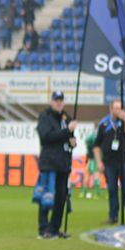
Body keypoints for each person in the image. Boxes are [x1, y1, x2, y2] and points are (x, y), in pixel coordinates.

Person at [37, 90, 76, 239]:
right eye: (56, 100)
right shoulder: (45, 117)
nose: (59, 102)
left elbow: (68, 138)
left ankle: (54, 228)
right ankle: (43, 228)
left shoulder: (66, 118)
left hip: (63, 164)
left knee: (61, 198)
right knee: (46, 197)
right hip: (49, 164)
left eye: (61, 100)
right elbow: (46, 137)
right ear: (51, 101)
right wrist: (67, 132)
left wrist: (72, 141)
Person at [91, 100, 125, 224]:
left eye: (120, 108)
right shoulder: (104, 124)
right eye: (115, 108)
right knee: (112, 189)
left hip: (124, 160)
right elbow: (96, 145)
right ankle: (113, 216)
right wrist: (99, 162)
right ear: (110, 109)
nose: (117, 111)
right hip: (109, 162)